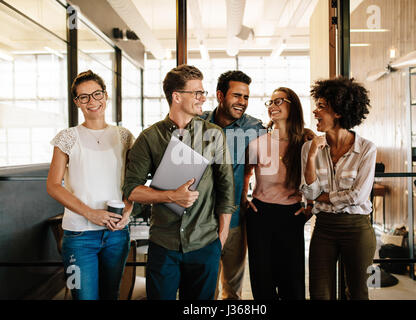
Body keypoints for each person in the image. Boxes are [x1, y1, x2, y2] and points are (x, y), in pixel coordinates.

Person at [122, 64, 235, 300]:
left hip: (205, 244)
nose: (203, 98)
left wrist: (220, 239)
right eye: (197, 93)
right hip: (164, 244)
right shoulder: (150, 138)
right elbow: (132, 189)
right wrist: (171, 195)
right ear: (176, 96)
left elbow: (226, 189)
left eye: (203, 92)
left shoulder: (214, 135)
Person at [46, 70, 134, 300]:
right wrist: (91, 214)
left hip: (116, 235)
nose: (92, 101)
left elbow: (134, 181)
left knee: (111, 295)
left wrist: (128, 209)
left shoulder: (125, 136)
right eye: (84, 97)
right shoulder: (67, 137)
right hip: (79, 237)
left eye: (96, 94)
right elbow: (53, 185)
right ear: (77, 102)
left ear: (105, 96)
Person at [301, 76, 377, 300]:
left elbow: (358, 196)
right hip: (324, 227)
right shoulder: (309, 148)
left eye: (321, 106)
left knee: (358, 292)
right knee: (319, 292)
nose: (315, 111)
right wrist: (313, 153)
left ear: (339, 111)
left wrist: (321, 196)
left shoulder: (366, 149)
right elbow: (307, 192)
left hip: (358, 227)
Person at [242, 87, 314, 300]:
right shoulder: (257, 143)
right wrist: (244, 200)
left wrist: (310, 206)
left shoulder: (306, 142)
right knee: (262, 278)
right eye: (270, 102)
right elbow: (245, 175)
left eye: (279, 101)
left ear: (293, 106)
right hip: (260, 213)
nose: (272, 106)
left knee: (292, 279)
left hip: (291, 215)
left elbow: (314, 178)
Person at [201, 70, 265, 300]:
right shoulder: (197, 124)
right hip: (201, 222)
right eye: (237, 95)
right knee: (205, 291)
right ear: (220, 95)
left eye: (246, 97)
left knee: (232, 290)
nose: (242, 102)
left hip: (236, 220)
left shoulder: (254, 128)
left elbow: (284, 143)